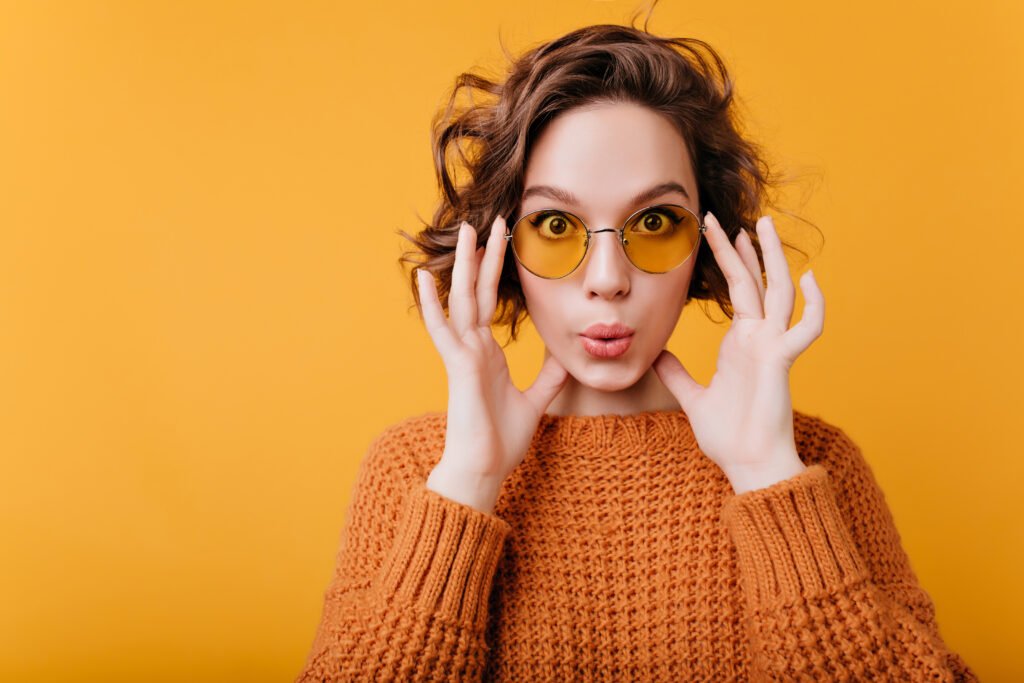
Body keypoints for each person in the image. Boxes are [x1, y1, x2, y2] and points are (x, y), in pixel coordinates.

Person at [295, 19, 977, 682]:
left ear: (710, 244)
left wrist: (767, 475)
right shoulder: (416, 470)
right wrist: (468, 484)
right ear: (501, 245)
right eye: (556, 224)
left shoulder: (812, 464)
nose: (607, 279)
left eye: (653, 222)